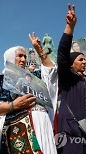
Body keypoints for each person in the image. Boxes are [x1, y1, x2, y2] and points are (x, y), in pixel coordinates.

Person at [57, 4, 86, 154]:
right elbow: (62, 55)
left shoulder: (84, 81)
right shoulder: (68, 78)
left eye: (85, 59)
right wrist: (70, 27)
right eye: (81, 59)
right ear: (71, 63)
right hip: (71, 135)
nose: (84, 62)